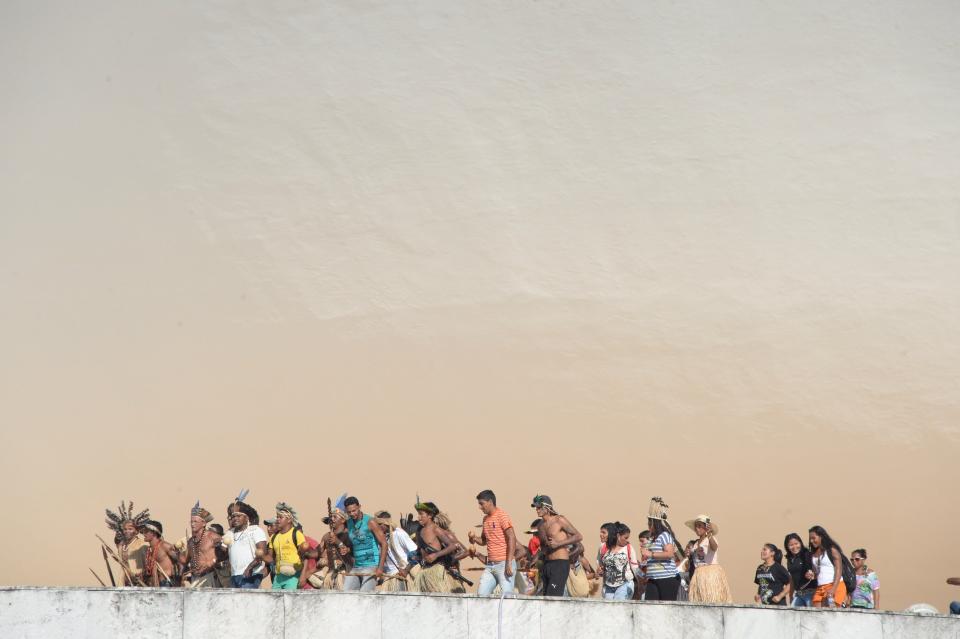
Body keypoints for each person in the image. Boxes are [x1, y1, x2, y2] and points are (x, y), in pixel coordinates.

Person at [531, 495, 583, 597]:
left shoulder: (559, 520)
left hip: (560, 564)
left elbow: (578, 536)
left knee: (553, 597)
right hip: (547, 564)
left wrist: (558, 544)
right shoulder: (540, 526)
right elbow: (544, 547)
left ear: (547, 508)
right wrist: (536, 557)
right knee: (545, 597)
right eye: (536, 508)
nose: (537, 510)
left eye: (539, 508)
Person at [468, 490, 517, 597]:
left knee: (506, 598)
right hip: (490, 566)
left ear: (490, 501)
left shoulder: (502, 516)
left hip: (504, 564)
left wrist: (508, 563)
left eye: (482, 504)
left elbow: (512, 537)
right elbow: (484, 541)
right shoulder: (485, 519)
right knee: (481, 595)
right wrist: (474, 538)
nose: (480, 507)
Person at [411, 502, 460, 593]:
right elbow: (419, 550)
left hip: (436, 570)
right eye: (418, 514)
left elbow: (452, 546)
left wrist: (436, 555)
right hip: (424, 571)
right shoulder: (419, 531)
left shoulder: (435, 529)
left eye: (421, 514)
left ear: (430, 515)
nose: (418, 517)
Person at [639, 497, 682, 601]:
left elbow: (670, 553)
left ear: (654, 523)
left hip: (667, 578)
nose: (648, 525)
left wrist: (651, 554)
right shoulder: (651, 538)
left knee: (666, 608)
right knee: (651, 607)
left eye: (650, 523)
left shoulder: (664, 535)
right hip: (653, 579)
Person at [342, 496, 388, 592]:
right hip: (357, 566)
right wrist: (347, 549)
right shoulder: (348, 523)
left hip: (371, 566)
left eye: (354, 510)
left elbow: (384, 544)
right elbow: (354, 544)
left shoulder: (370, 522)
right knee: (346, 592)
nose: (352, 514)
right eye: (349, 512)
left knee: (365, 596)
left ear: (359, 507)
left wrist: (380, 568)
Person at [684, 514, 732, 604]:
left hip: (710, 575)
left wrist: (710, 535)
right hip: (698, 575)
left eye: (700, 526)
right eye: (696, 526)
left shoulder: (710, 539)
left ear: (706, 528)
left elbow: (714, 547)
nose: (697, 529)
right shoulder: (695, 544)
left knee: (712, 600)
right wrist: (688, 553)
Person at [265, 502, 311, 590]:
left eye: (280, 517)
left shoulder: (296, 534)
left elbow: (305, 557)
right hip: (278, 577)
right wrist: (261, 555)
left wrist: (303, 575)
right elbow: (270, 559)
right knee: (275, 601)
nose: (277, 520)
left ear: (289, 520)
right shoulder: (274, 537)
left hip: (293, 576)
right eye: (277, 517)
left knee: (290, 602)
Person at [104, 501, 151, 586]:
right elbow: (122, 561)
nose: (127, 531)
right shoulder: (122, 545)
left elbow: (148, 563)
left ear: (136, 531)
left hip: (139, 581)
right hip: (124, 580)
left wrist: (142, 575)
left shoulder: (142, 544)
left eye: (130, 529)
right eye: (125, 529)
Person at [225, 500, 267, 589]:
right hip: (234, 575)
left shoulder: (255, 531)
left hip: (251, 574)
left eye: (238, 516)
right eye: (233, 516)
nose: (235, 518)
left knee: (247, 601)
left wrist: (250, 568)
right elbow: (223, 552)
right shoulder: (230, 533)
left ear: (247, 518)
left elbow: (262, 553)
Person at [181, 502, 222, 588]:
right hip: (194, 579)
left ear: (203, 523)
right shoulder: (191, 541)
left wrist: (212, 562)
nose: (192, 524)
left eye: (195, 521)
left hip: (209, 577)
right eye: (191, 522)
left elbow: (225, 554)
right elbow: (186, 560)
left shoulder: (213, 537)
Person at [375, 511, 417, 592]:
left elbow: (415, 553)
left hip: (401, 576)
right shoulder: (381, 537)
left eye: (379, 525)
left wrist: (406, 570)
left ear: (386, 524)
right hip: (388, 577)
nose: (377, 527)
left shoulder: (399, 533)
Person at [809, 525, 848, 608]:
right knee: (816, 615)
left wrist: (833, 589)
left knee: (831, 616)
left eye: (814, 538)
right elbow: (818, 573)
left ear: (821, 537)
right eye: (810, 539)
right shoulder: (813, 554)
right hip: (820, 588)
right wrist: (812, 575)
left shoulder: (832, 550)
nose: (811, 541)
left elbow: (839, 569)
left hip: (834, 586)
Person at [598, 522, 640, 600]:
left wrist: (640, 583)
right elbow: (600, 564)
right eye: (625, 537)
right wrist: (600, 570)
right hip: (608, 586)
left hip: (625, 584)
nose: (627, 540)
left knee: (619, 607)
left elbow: (635, 567)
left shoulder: (629, 548)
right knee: (609, 609)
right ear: (618, 536)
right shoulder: (603, 547)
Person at [141, 520, 179, 587]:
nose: (144, 534)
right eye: (143, 532)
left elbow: (180, 561)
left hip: (166, 583)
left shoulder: (165, 546)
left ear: (154, 533)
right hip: (154, 584)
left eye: (146, 532)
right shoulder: (149, 550)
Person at [784, 532, 816, 607]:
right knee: (793, 615)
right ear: (787, 547)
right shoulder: (790, 559)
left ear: (800, 543)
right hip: (798, 594)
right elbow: (791, 578)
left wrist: (812, 573)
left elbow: (816, 570)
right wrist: (791, 595)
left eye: (796, 543)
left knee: (812, 617)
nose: (794, 547)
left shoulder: (807, 554)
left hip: (811, 593)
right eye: (791, 545)